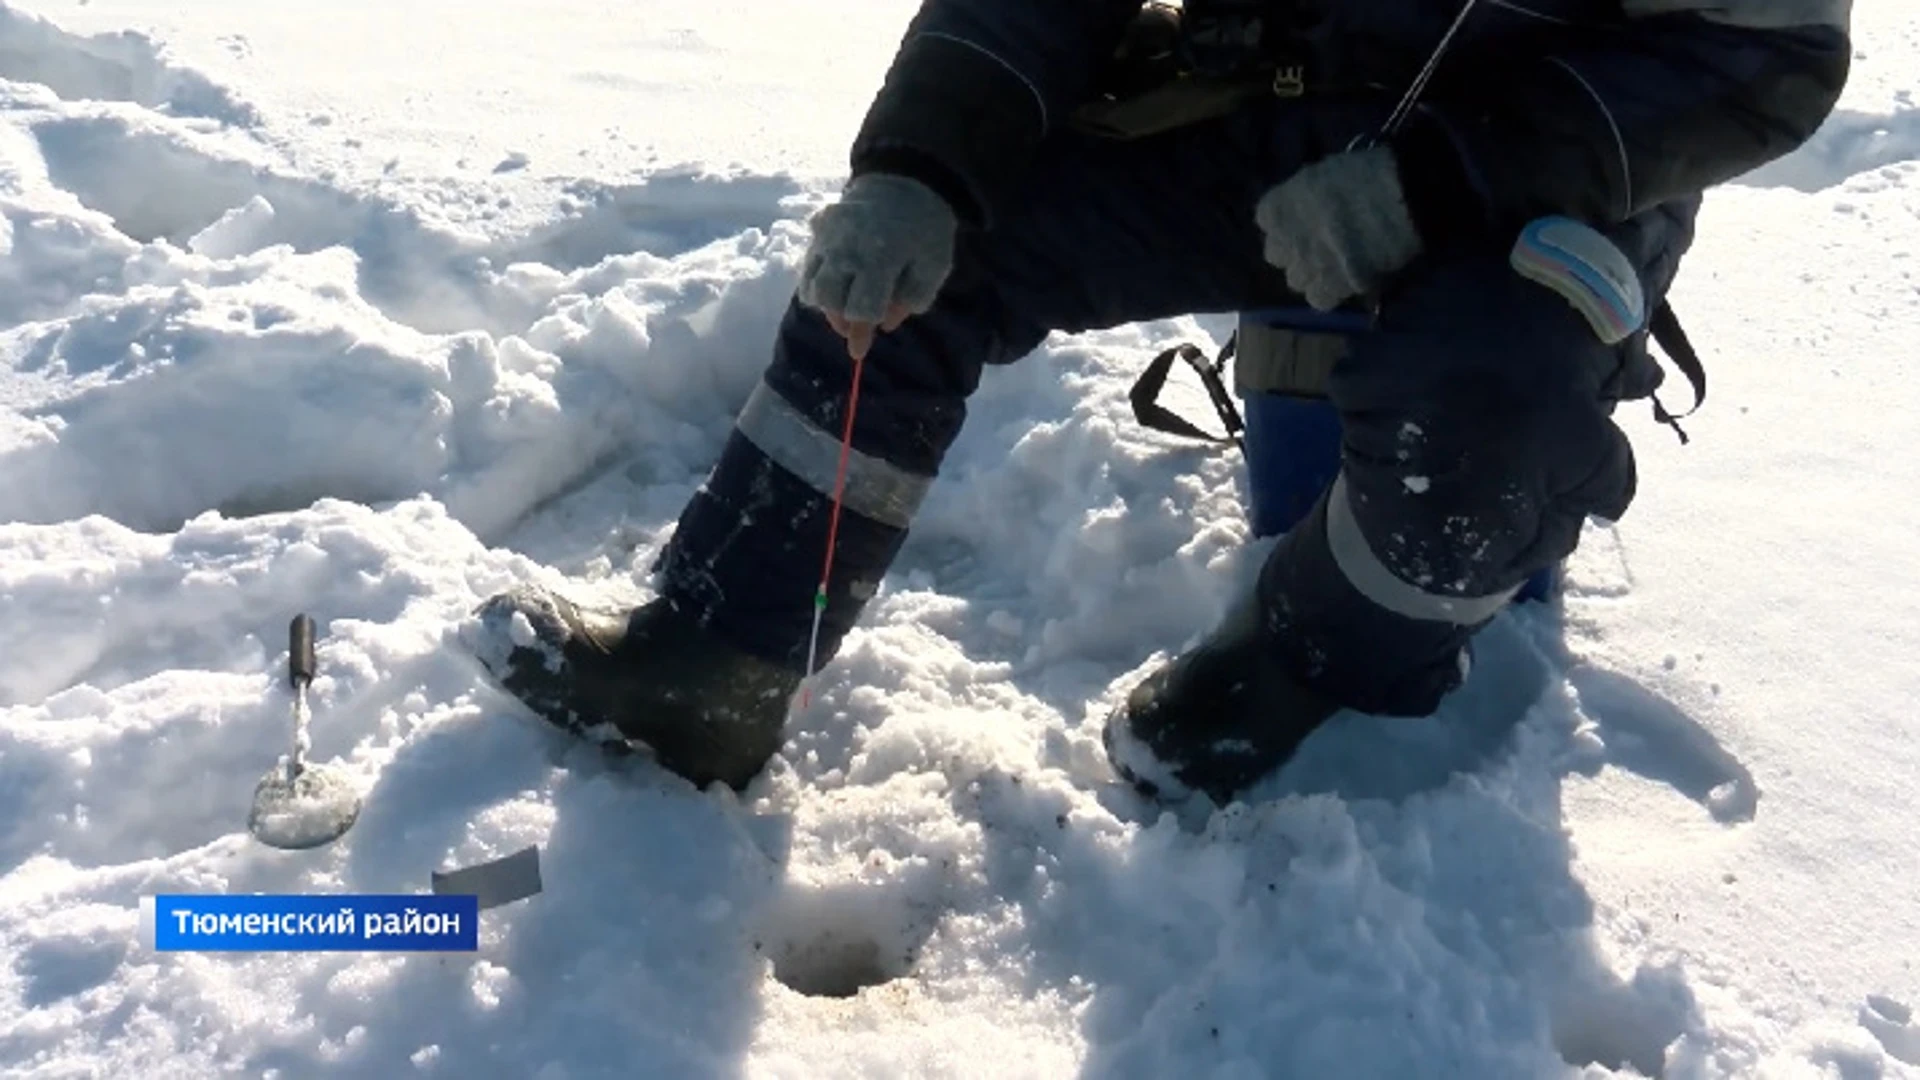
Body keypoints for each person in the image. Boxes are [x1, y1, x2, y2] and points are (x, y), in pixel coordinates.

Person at [470, 0, 1849, 805]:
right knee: (917, 264)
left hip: (1538, 168)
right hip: (1249, 110)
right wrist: (923, 164)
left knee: (1482, 419)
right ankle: (716, 662)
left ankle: (1305, 669)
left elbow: (1758, 50)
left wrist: (1431, 183)